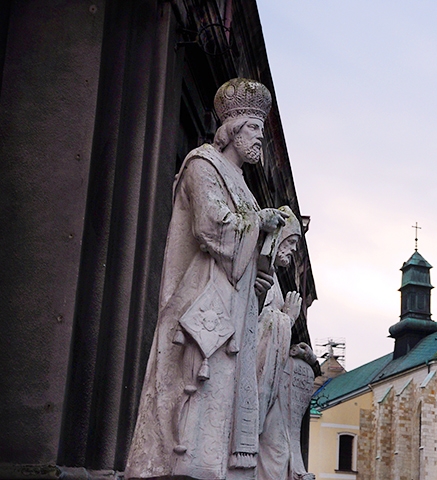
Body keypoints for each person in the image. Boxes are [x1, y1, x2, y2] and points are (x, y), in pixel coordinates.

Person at [126, 78, 286, 480]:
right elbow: (212, 228)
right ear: (232, 129)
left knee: (224, 403)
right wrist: (260, 222)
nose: (259, 139)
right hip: (202, 304)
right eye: (254, 128)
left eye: (261, 132)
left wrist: (262, 272)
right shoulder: (203, 164)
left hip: (236, 315)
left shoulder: (245, 187)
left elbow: (245, 259)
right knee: (193, 394)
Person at [253, 207, 316, 480]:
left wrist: (300, 354)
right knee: (274, 452)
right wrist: (287, 321)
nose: (292, 252)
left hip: (275, 382)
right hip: (261, 385)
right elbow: (252, 329)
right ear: (276, 238)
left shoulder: (277, 280)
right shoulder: (261, 272)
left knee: (280, 451)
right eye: (290, 243)